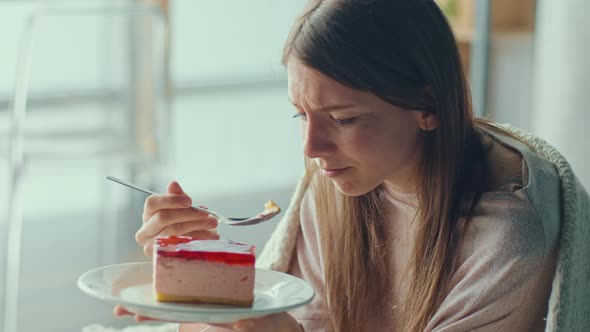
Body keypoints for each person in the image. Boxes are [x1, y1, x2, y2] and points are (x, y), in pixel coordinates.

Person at [116, 0, 562, 331]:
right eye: (300, 114)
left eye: (343, 119)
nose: (311, 147)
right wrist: (201, 278)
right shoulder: (334, 187)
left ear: (428, 104)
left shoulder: (506, 238)